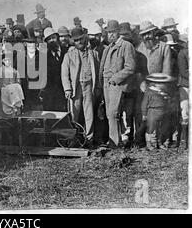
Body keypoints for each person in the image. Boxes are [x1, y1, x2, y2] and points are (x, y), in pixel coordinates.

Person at [62, 27, 101, 148]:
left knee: (89, 113)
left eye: (81, 39)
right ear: (73, 41)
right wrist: (67, 88)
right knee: (74, 113)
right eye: (76, 40)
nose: (80, 42)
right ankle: (74, 139)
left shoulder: (93, 53)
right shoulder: (69, 55)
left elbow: (98, 71)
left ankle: (89, 139)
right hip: (76, 87)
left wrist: (98, 87)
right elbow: (64, 73)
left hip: (89, 86)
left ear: (85, 38)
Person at [99, 20, 136, 148]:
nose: (110, 35)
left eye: (113, 32)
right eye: (108, 32)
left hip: (117, 84)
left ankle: (114, 143)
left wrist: (116, 78)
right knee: (110, 114)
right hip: (106, 84)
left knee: (113, 113)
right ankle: (115, 141)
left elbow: (130, 67)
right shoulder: (108, 48)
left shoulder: (126, 46)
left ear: (118, 32)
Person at [141, 73, 176, 150]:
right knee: (151, 129)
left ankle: (159, 143)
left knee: (160, 129)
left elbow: (168, 103)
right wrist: (144, 114)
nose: (163, 85)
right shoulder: (149, 92)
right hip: (152, 112)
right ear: (154, 83)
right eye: (161, 83)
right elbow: (144, 104)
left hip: (162, 112)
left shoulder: (163, 93)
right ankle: (150, 144)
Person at [41, 27, 67, 112]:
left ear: (57, 38)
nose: (52, 40)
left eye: (53, 38)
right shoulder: (44, 56)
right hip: (50, 93)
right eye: (49, 39)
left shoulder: (66, 52)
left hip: (64, 91)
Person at [177, 34, 188, 148]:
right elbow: (183, 71)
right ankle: (183, 140)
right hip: (185, 86)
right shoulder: (183, 53)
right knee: (184, 112)